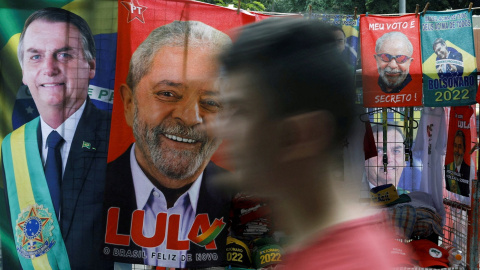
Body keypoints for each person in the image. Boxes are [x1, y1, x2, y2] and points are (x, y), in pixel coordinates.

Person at [218, 18, 402, 270]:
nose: (218, 126)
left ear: (300, 134)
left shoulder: (347, 262)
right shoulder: (320, 248)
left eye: (240, 111)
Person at [102, 21, 233, 268]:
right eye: (168, 94)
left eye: (211, 102)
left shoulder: (243, 201)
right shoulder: (93, 191)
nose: (190, 117)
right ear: (129, 104)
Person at [1, 7, 111, 270]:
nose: (49, 69)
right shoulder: (11, 147)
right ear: (24, 72)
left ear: (91, 65)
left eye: (63, 54)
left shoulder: (122, 139)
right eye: (35, 56)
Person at [445, 129, 470, 196]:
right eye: (455, 146)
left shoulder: (468, 169)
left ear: (464, 149)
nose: (456, 150)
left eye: (459, 147)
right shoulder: (448, 167)